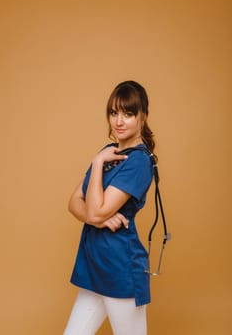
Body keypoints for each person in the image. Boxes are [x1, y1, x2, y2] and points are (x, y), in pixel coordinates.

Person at [64, 81, 156, 335]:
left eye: (128, 113)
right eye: (114, 113)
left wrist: (96, 215)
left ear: (143, 116)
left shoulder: (139, 161)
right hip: (94, 266)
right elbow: (74, 202)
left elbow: (92, 210)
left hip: (120, 269)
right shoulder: (106, 153)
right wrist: (97, 163)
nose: (119, 121)